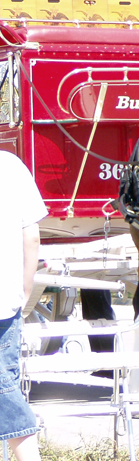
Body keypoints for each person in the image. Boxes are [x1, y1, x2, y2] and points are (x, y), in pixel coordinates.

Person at [0, 151, 47, 461]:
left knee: (5, 390)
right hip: (6, 298)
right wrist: (25, 285)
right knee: (6, 384)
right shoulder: (11, 166)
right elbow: (31, 236)